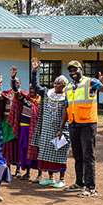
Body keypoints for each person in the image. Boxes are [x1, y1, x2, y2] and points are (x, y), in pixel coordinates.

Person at [57, 60, 103, 197]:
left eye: (75, 70)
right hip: (74, 124)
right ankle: (79, 182)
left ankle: (90, 187)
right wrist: (61, 127)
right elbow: (66, 108)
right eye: (70, 70)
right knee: (77, 155)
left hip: (88, 125)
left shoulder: (91, 82)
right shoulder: (69, 87)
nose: (72, 73)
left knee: (88, 156)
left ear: (81, 69)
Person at [29, 58, 69, 186]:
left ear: (64, 86)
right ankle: (50, 178)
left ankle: (61, 179)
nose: (56, 85)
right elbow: (35, 86)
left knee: (60, 154)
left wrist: (62, 129)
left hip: (60, 129)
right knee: (46, 154)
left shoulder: (67, 97)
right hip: (46, 130)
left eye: (59, 84)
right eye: (55, 83)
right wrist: (34, 71)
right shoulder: (47, 93)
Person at [8, 66, 41, 181]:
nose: (31, 91)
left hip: (36, 130)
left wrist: (34, 72)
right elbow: (16, 92)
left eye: (33, 89)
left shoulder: (41, 100)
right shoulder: (25, 98)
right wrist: (13, 78)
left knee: (36, 150)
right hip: (24, 127)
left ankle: (40, 174)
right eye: (30, 88)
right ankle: (27, 173)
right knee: (24, 150)